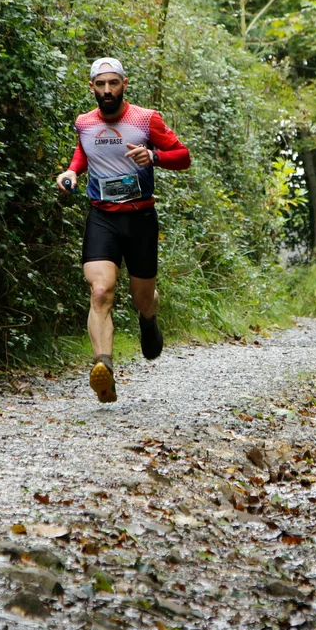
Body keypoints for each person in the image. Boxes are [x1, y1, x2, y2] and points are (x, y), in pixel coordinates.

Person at [56, 57, 190, 403]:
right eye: (100, 84)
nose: (107, 90)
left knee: (142, 297)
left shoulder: (146, 119)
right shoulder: (84, 123)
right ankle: (104, 368)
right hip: (102, 217)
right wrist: (71, 172)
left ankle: (149, 316)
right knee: (100, 290)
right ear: (92, 87)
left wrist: (154, 157)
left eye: (113, 83)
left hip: (140, 218)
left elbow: (183, 156)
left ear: (124, 85)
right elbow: (83, 154)